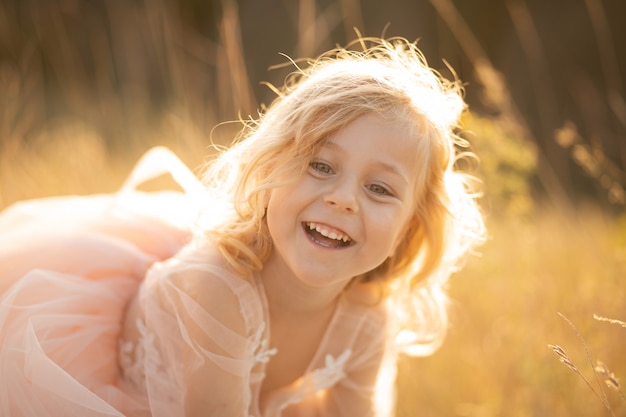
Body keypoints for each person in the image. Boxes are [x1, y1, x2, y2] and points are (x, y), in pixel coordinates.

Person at [0, 37, 485, 417]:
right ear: (272, 170)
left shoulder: (368, 318)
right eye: (320, 166)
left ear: (407, 228)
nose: (342, 198)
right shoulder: (218, 289)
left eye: (380, 189)